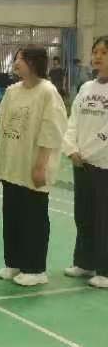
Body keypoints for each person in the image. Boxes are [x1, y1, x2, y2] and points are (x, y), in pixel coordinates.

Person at [0, 45, 67, 287]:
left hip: (33, 165)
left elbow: (52, 131)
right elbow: (1, 127)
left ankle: (35, 269)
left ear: (34, 63)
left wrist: (40, 166)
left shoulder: (48, 92)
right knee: (12, 216)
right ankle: (14, 262)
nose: (15, 63)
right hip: (11, 165)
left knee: (33, 218)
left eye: (20, 59)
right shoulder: (12, 91)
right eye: (16, 58)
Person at [62, 35, 108, 288]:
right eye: (95, 52)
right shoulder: (86, 88)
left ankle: (105, 269)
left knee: (104, 218)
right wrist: (71, 149)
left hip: (103, 164)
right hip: (81, 162)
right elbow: (73, 121)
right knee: (84, 214)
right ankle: (85, 262)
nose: (97, 57)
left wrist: (88, 151)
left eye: (104, 53)